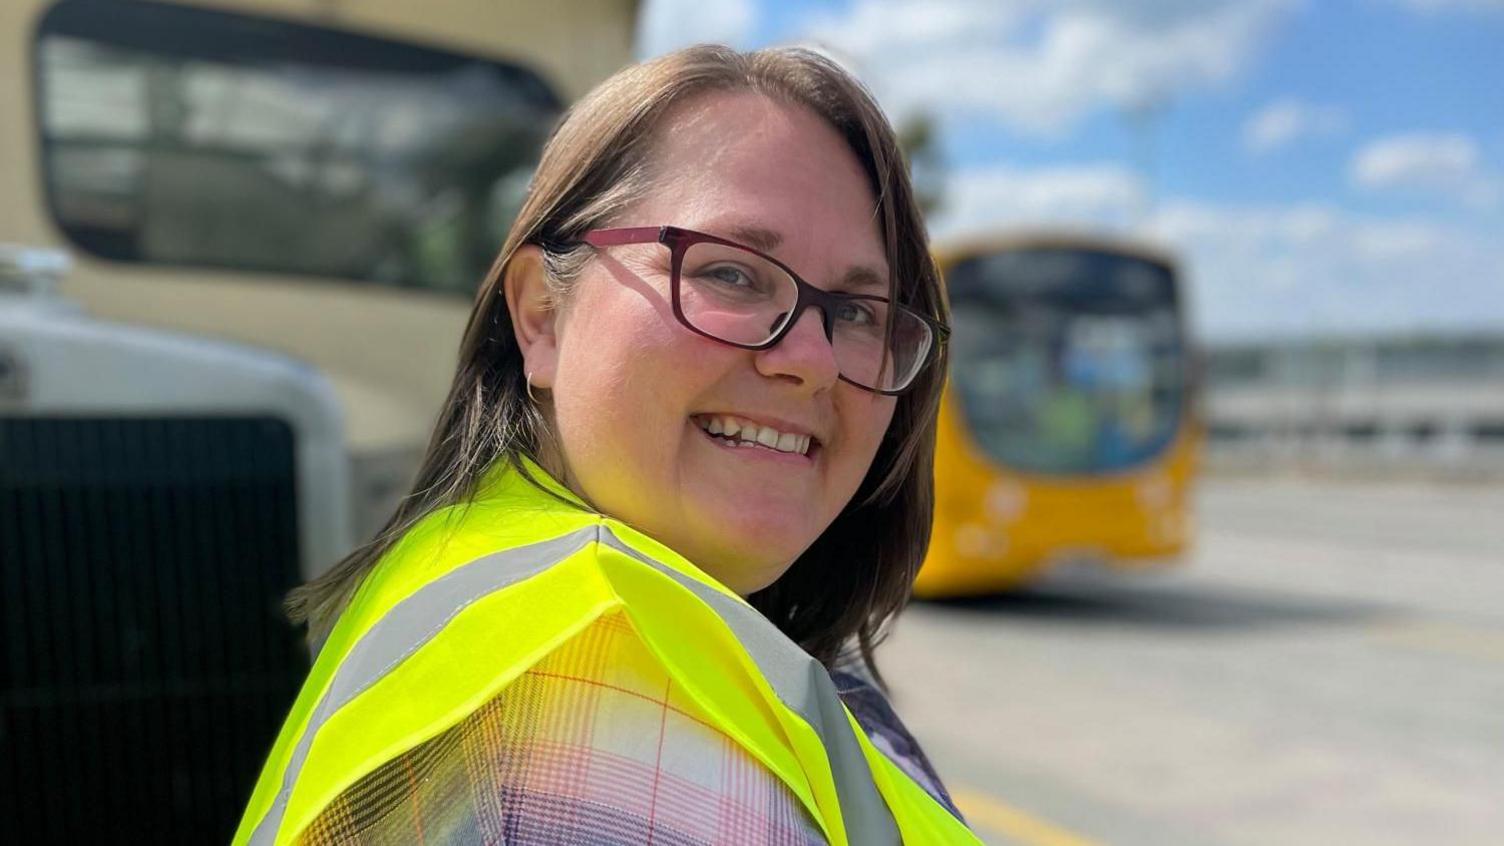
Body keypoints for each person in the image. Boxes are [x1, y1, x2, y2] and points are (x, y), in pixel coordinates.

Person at [235, 44, 979, 845]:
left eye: (861, 313)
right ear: (541, 318)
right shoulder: (610, 717)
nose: (811, 361)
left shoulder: (478, 571)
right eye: (730, 274)